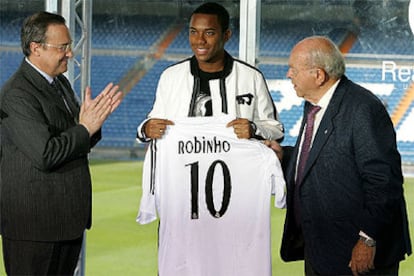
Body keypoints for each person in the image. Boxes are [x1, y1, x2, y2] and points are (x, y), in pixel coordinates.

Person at [266, 36, 412, 275]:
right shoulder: (315, 104)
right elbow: (319, 159)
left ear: (318, 75)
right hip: (320, 249)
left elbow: (384, 181)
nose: (288, 75)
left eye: (293, 69)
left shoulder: (363, 109)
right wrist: (285, 155)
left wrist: (367, 239)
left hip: (356, 254)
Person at [0, 11, 123, 275]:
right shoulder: (17, 94)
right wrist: (85, 127)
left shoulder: (60, 84)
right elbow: (45, 153)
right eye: (63, 47)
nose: (70, 53)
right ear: (36, 48)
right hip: (34, 228)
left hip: (63, 222)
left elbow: (75, 140)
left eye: (69, 45)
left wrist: (91, 126)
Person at [136, 1, 284, 142]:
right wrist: (147, 129)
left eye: (209, 33)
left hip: (234, 167)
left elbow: (276, 131)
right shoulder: (171, 76)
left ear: (226, 35)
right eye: (194, 32)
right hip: (183, 166)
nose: (200, 40)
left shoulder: (251, 77)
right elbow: (151, 125)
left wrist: (254, 129)